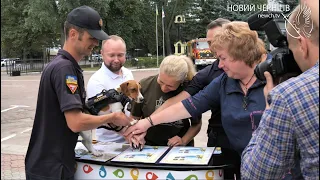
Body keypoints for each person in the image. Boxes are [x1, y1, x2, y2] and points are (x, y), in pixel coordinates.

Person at [125, 21, 267, 179]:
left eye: (223, 58)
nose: (219, 65)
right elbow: (187, 106)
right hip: (242, 161)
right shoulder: (223, 82)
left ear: (240, 54)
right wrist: (147, 122)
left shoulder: (274, 78)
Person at [24, 6, 131, 180]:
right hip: (52, 168)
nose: (96, 44)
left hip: (49, 163)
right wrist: (112, 117)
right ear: (73, 34)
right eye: (92, 38)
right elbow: (76, 122)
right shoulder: (65, 69)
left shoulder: (63, 65)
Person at [152, 19, 241, 178]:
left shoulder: (259, 69)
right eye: (209, 43)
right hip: (220, 139)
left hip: (247, 139)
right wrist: (148, 122)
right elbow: (181, 101)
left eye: (215, 41)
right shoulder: (207, 73)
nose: (212, 47)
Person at [241, 5, 319, 179]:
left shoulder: (290, 95)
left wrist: (270, 107)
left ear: (302, 44)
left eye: (291, 52)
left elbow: (256, 174)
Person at [129, 55, 202, 147]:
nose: (163, 88)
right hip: (149, 146)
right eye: (161, 81)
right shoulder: (144, 85)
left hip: (178, 148)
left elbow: (197, 124)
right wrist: (135, 136)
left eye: (170, 86)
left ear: (182, 81)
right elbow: (134, 118)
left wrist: (183, 140)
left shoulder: (189, 90)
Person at [86, 35, 134, 143]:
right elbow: (107, 118)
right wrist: (130, 134)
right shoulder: (96, 81)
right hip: (109, 143)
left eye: (120, 55)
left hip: (131, 137)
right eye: (111, 55)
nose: (116, 59)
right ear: (102, 54)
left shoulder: (128, 74)